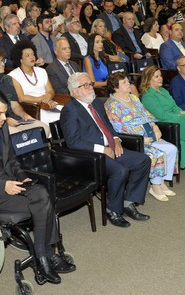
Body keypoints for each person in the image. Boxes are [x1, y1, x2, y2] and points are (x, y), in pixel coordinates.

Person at [0, 87, 74, 283]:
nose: (4, 117)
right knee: (43, 202)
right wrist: (3, 186)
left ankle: (44, 255)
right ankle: (45, 256)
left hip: (12, 184)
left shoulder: (2, 128)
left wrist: (21, 176)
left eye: (5, 112)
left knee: (43, 192)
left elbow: (11, 159)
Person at [60, 72, 151, 228]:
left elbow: (108, 126)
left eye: (91, 84)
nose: (91, 88)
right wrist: (102, 149)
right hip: (90, 156)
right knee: (120, 170)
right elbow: (73, 142)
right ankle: (112, 210)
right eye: (86, 85)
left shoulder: (96, 103)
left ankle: (128, 202)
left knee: (143, 160)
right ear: (75, 91)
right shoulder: (70, 110)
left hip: (110, 147)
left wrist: (116, 140)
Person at [104, 73, 178, 201]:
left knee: (172, 149)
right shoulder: (112, 105)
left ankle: (161, 182)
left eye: (128, 81)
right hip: (134, 140)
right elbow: (117, 129)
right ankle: (155, 187)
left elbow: (146, 114)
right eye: (124, 83)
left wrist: (155, 126)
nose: (129, 84)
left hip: (149, 134)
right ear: (115, 88)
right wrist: (141, 140)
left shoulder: (133, 98)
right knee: (158, 154)